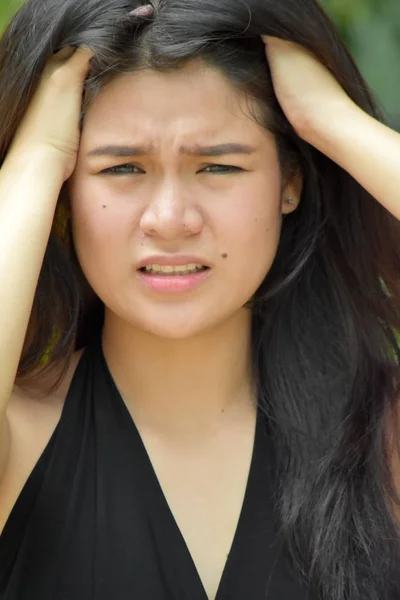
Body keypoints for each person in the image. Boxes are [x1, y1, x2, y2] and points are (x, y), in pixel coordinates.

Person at [1, 0, 400, 598]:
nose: (170, 220)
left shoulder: (383, 432)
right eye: (122, 169)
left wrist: (329, 121)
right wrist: (32, 158)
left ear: (290, 181)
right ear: (60, 192)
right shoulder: (21, 436)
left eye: (217, 167)